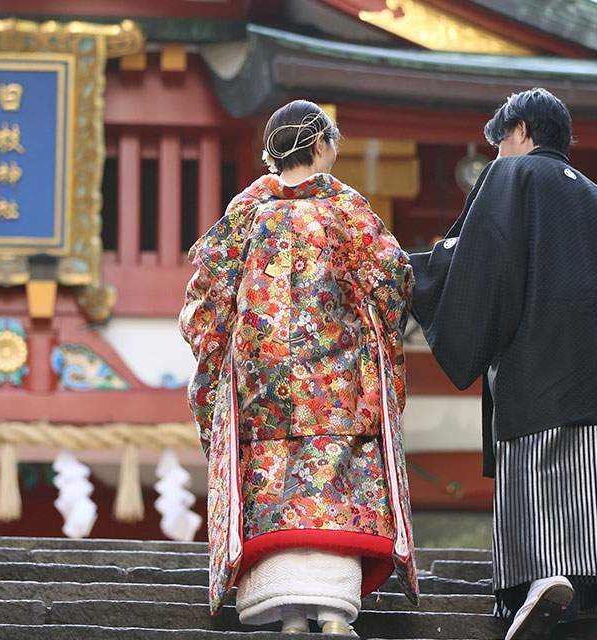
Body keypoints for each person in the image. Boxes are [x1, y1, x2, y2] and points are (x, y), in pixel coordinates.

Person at [409, 88, 597, 640]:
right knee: (589, 496)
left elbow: (477, 255)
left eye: (501, 141)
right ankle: (595, 598)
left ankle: (537, 591)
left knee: (540, 489)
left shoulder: (512, 178)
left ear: (522, 130)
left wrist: (409, 271)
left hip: (533, 372)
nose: (498, 155)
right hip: (596, 389)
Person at [180, 99, 419, 635]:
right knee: (331, 488)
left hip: (258, 388)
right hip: (334, 388)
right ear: (318, 144)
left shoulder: (244, 212)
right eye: (333, 140)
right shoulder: (345, 209)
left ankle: (286, 615)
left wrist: (226, 359)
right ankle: (334, 614)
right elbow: (391, 281)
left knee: (270, 487)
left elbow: (205, 300)